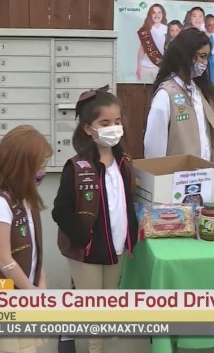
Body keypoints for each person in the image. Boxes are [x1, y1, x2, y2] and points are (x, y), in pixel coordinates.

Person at [52, 86, 139, 353]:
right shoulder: (77, 167)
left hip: (117, 248)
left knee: (108, 306)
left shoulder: (123, 162)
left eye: (117, 122)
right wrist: (84, 239)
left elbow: (127, 203)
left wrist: (131, 237)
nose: (113, 128)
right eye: (105, 123)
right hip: (87, 251)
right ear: (89, 128)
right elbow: (60, 210)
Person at [0, 125, 51, 353]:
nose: (43, 171)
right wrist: (30, 290)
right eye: (39, 165)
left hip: (24, 295)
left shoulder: (25, 199)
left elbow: (35, 250)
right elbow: (3, 259)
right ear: (20, 167)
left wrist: (41, 284)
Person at [143, 27, 214, 177]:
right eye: (201, 56)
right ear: (186, 55)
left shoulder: (198, 90)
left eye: (207, 57)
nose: (205, 62)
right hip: (175, 180)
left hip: (203, 176)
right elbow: (154, 149)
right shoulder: (165, 94)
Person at [136, 3, 167, 82]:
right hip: (145, 67)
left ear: (163, 14)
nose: (157, 15)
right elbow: (142, 49)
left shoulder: (167, 29)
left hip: (160, 67)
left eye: (159, 12)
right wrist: (138, 66)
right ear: (150, 14)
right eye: (154, 12)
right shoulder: (146, 30)